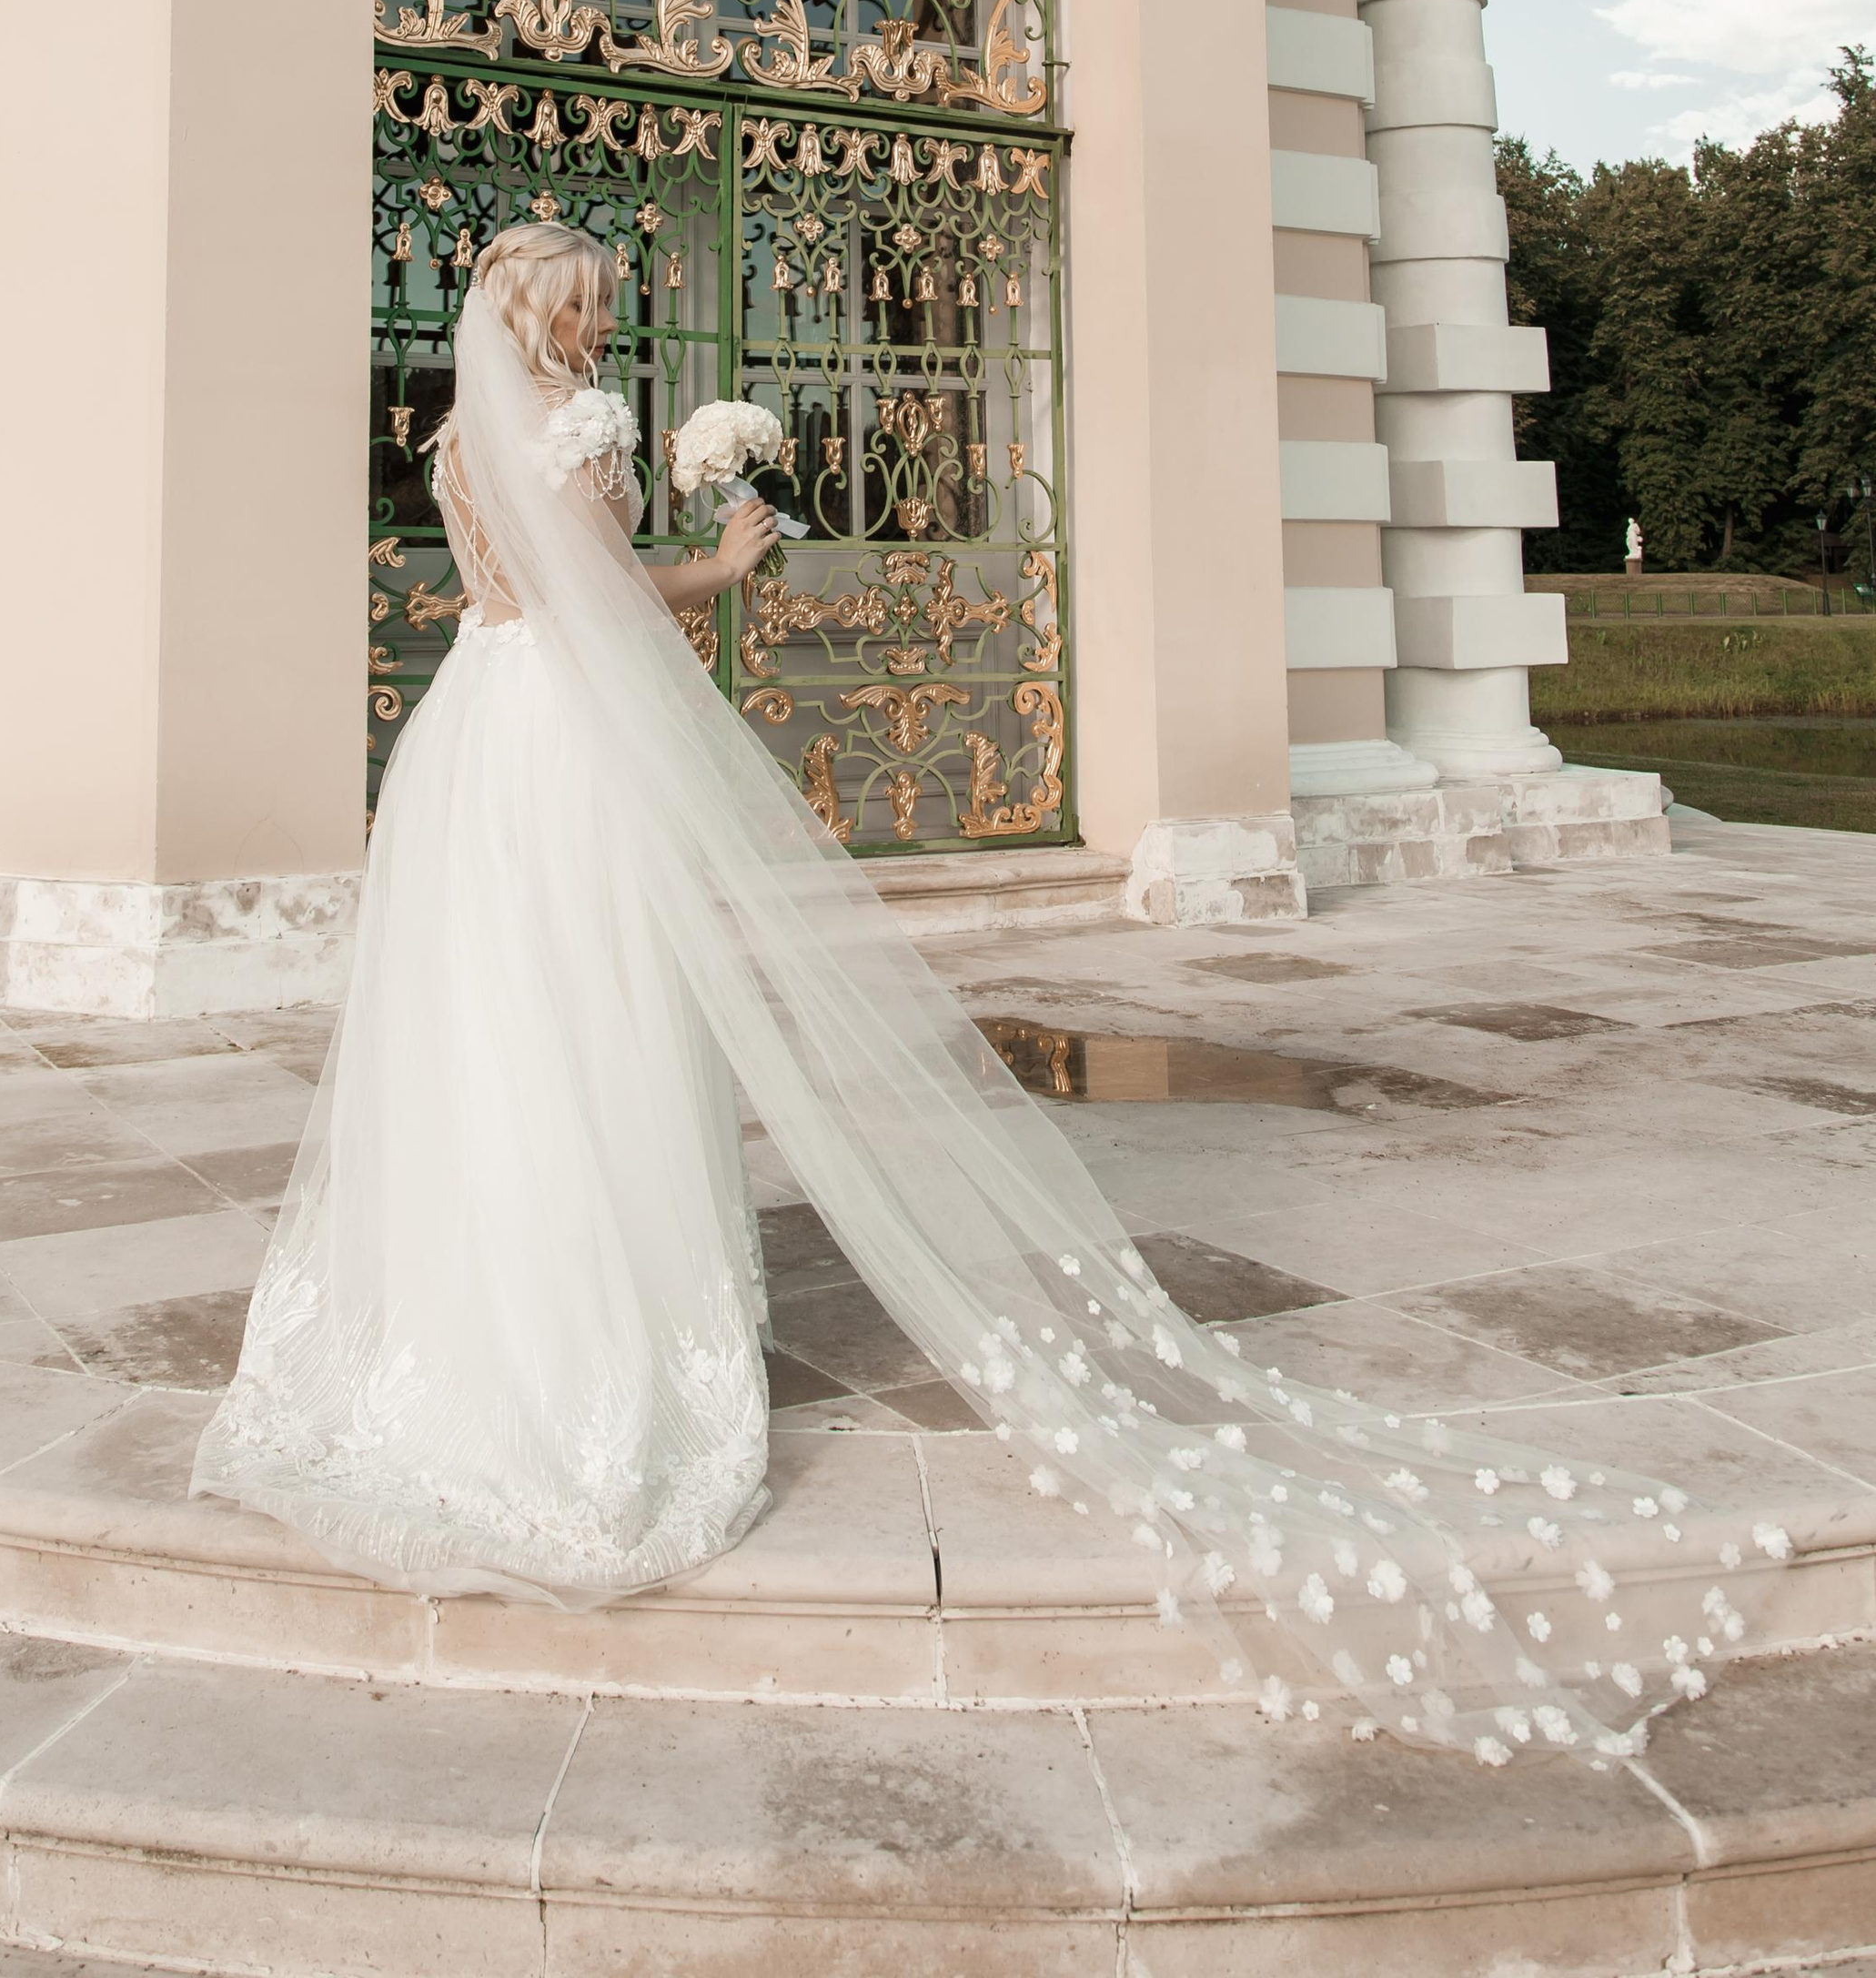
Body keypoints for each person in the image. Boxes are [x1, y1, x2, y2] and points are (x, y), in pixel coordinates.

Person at [196, 224, 1787, 1761]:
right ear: (550, 317)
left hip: (475, 735)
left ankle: (451, 1326)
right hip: (575, 743)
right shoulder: (576, 428)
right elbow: (603, 604)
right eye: (593, 308)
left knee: (488, 1021)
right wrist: (729, 561)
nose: (602, 331)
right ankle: (591, 1346)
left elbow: (509, 605)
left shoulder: (462, 445)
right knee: (605, 1009)